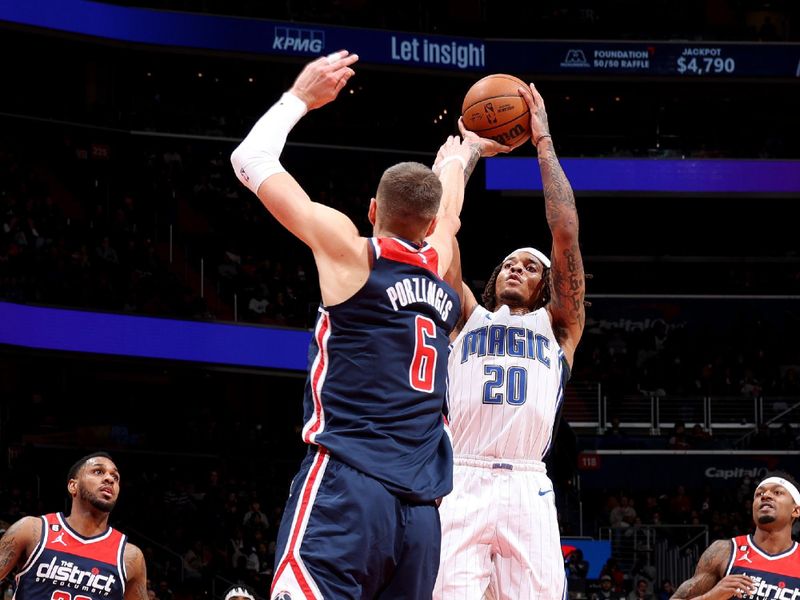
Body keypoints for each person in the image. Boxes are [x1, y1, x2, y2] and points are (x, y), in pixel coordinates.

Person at [230, 51, 489, 599]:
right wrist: (465, 152)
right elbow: (450, 207)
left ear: (372, 210)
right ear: (432, 222)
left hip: (349, 488)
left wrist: (299, 96)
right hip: (422, 515)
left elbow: (250, 157)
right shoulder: (442, 265)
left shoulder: (352, 256)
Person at [434, 82, 585, 600]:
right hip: (461, 478)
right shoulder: (464, 319)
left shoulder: (560, 325)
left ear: (548, 285)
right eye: (508, 264)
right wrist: (467, 155)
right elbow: (438, 232)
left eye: (530, 266)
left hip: (527, 483)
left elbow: (564, 231)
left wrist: (543, 143)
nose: (517, 268)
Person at [0, 452, 148, 600]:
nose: (110, 479)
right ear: (73, 486)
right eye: (98, 471)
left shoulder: (130, 557)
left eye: (115, 477)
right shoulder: (32, 530)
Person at [671, 471, 800, 600]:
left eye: (777, 492)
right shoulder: (723, 551)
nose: (765, 496)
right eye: (759, 494)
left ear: (796, 510)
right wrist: (710, 597)